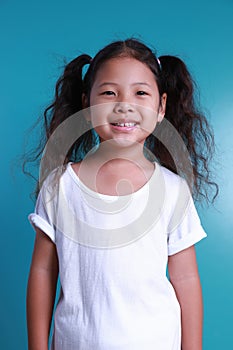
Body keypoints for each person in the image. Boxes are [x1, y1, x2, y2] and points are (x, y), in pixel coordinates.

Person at [26, 38, 218, 350]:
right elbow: (43, 270)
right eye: (109, 93)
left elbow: (186, 279)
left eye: (140, 93)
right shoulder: (59, 186)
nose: (124, 105)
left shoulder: (172, 190)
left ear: (161, 107)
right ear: (87, 106)